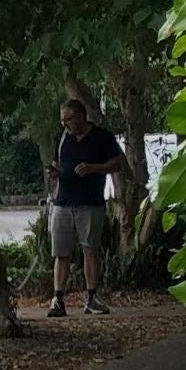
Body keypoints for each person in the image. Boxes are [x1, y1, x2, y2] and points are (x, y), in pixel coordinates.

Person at [43, 97, 130, 317]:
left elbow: (118, 163)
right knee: (61, 252)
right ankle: (58, 299)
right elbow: (56, 162)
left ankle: (91, 297)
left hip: (90, 203)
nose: (65, 124)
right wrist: (53, 172)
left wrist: (93, 168)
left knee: (90, 249)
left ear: (81, 116)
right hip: (63, 202)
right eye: (62, 121)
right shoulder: (63, 137)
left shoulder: (102, 137)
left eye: (68, 119)